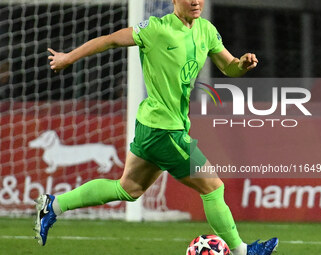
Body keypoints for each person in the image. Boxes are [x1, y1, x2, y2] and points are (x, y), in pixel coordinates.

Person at [34, 1, 278, 254]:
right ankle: (242, 251)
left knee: (128, 189)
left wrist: (242, 65)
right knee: (213, 187)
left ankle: (54, 205)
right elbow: (110, 40)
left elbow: (228, 66)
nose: (196, 2)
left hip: (155, 126)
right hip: (164, 129)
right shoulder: (155, 29)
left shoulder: (206, 29)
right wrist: (67, 58)